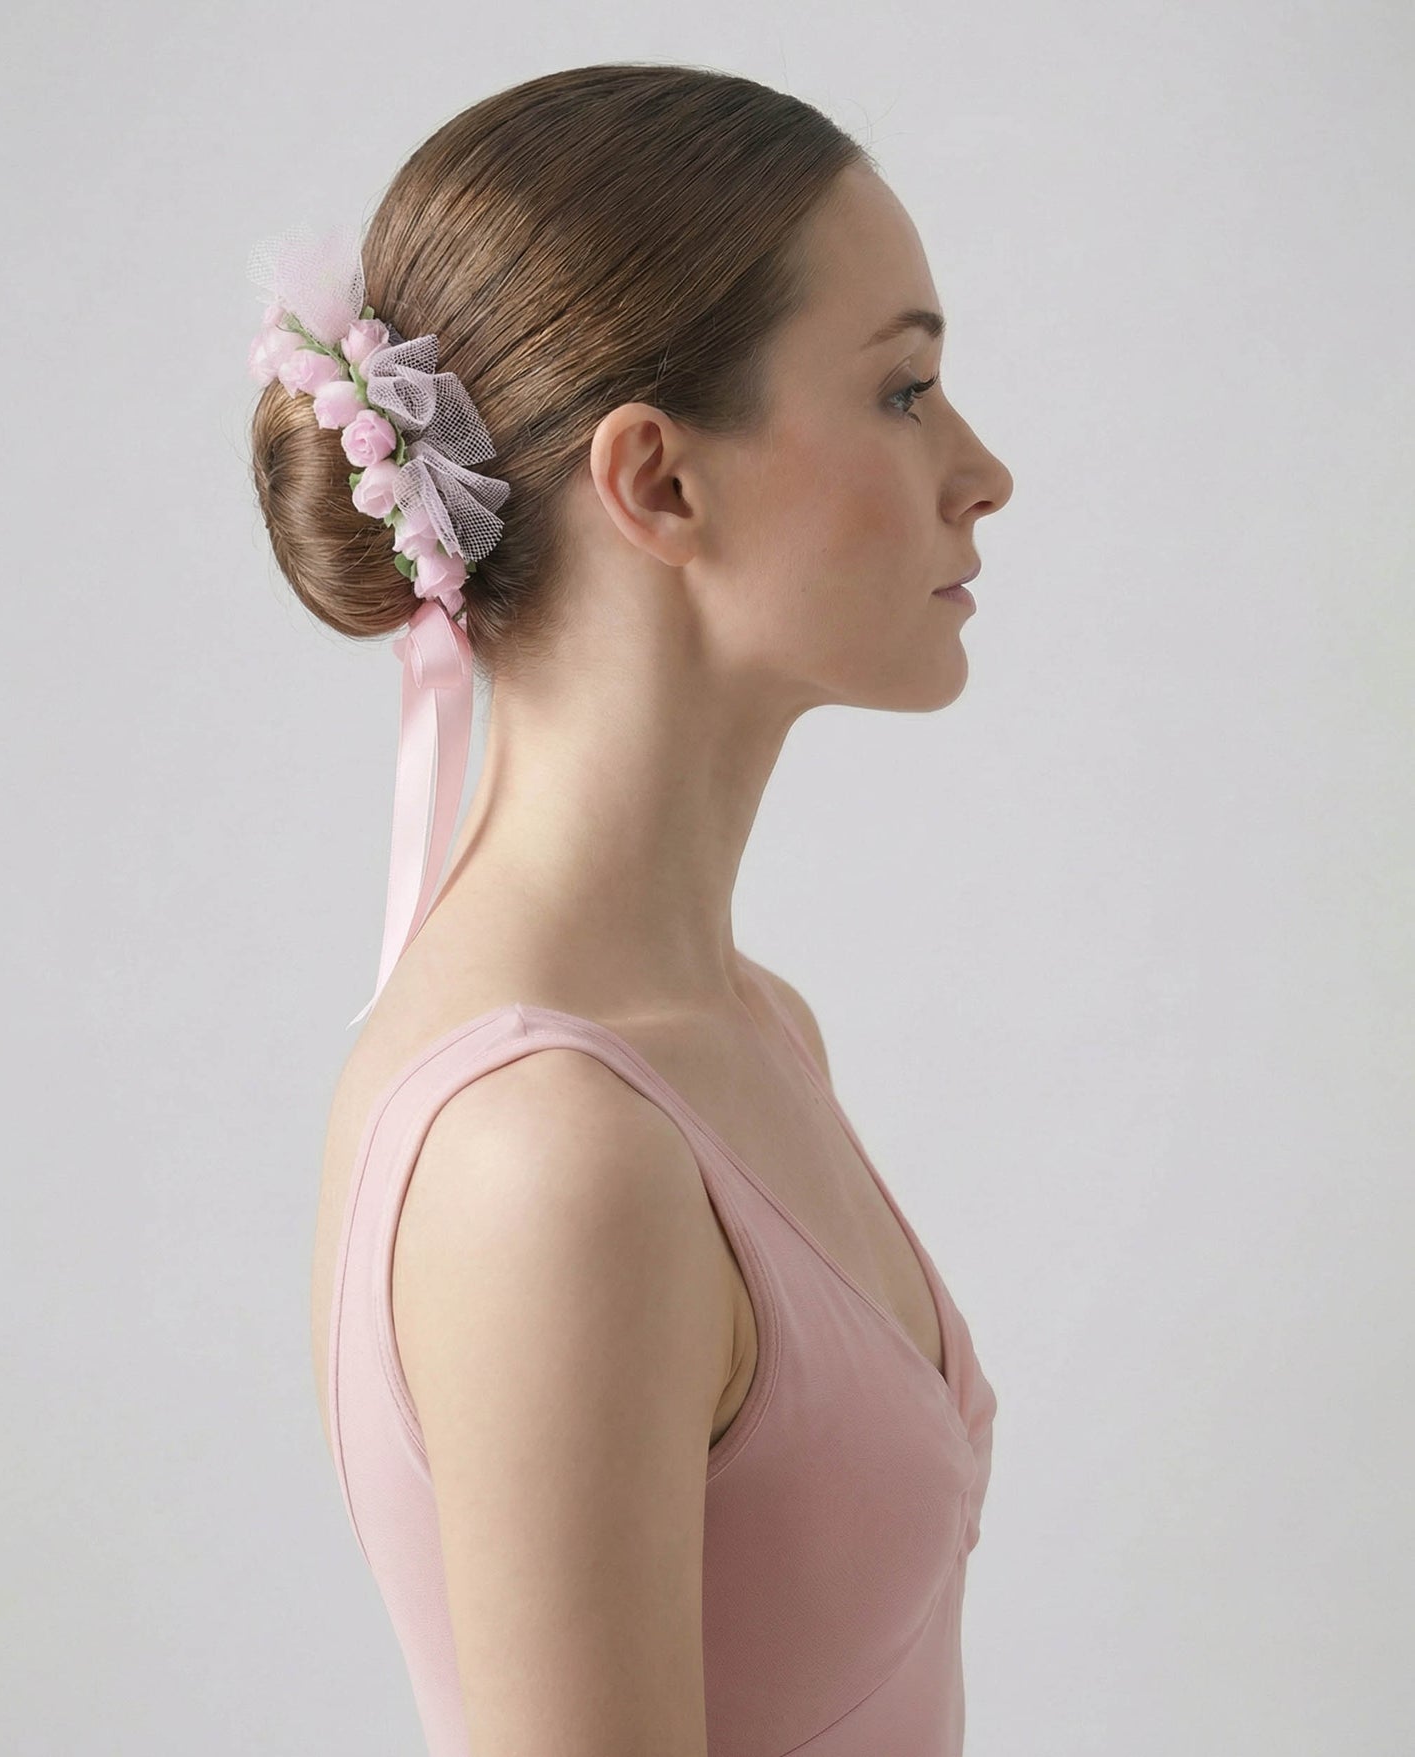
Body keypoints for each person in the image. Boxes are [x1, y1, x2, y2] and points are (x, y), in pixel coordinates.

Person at [249, 63, 1012, 1757]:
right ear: (659, 482)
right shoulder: (555, 1150)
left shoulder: (746, 1030)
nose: (985, 472)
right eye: (906, 391)